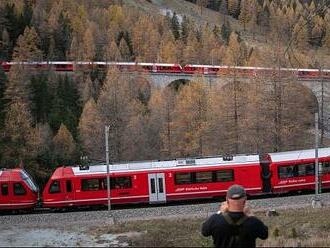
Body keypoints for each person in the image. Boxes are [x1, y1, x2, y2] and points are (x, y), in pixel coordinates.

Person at [201, 185, 268, 248]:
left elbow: (204, 232)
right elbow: (264, 235)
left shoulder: (215, 220)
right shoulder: (254, 222)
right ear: (245, 200)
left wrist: (220, 212)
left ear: (227, 200)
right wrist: (250, 214)